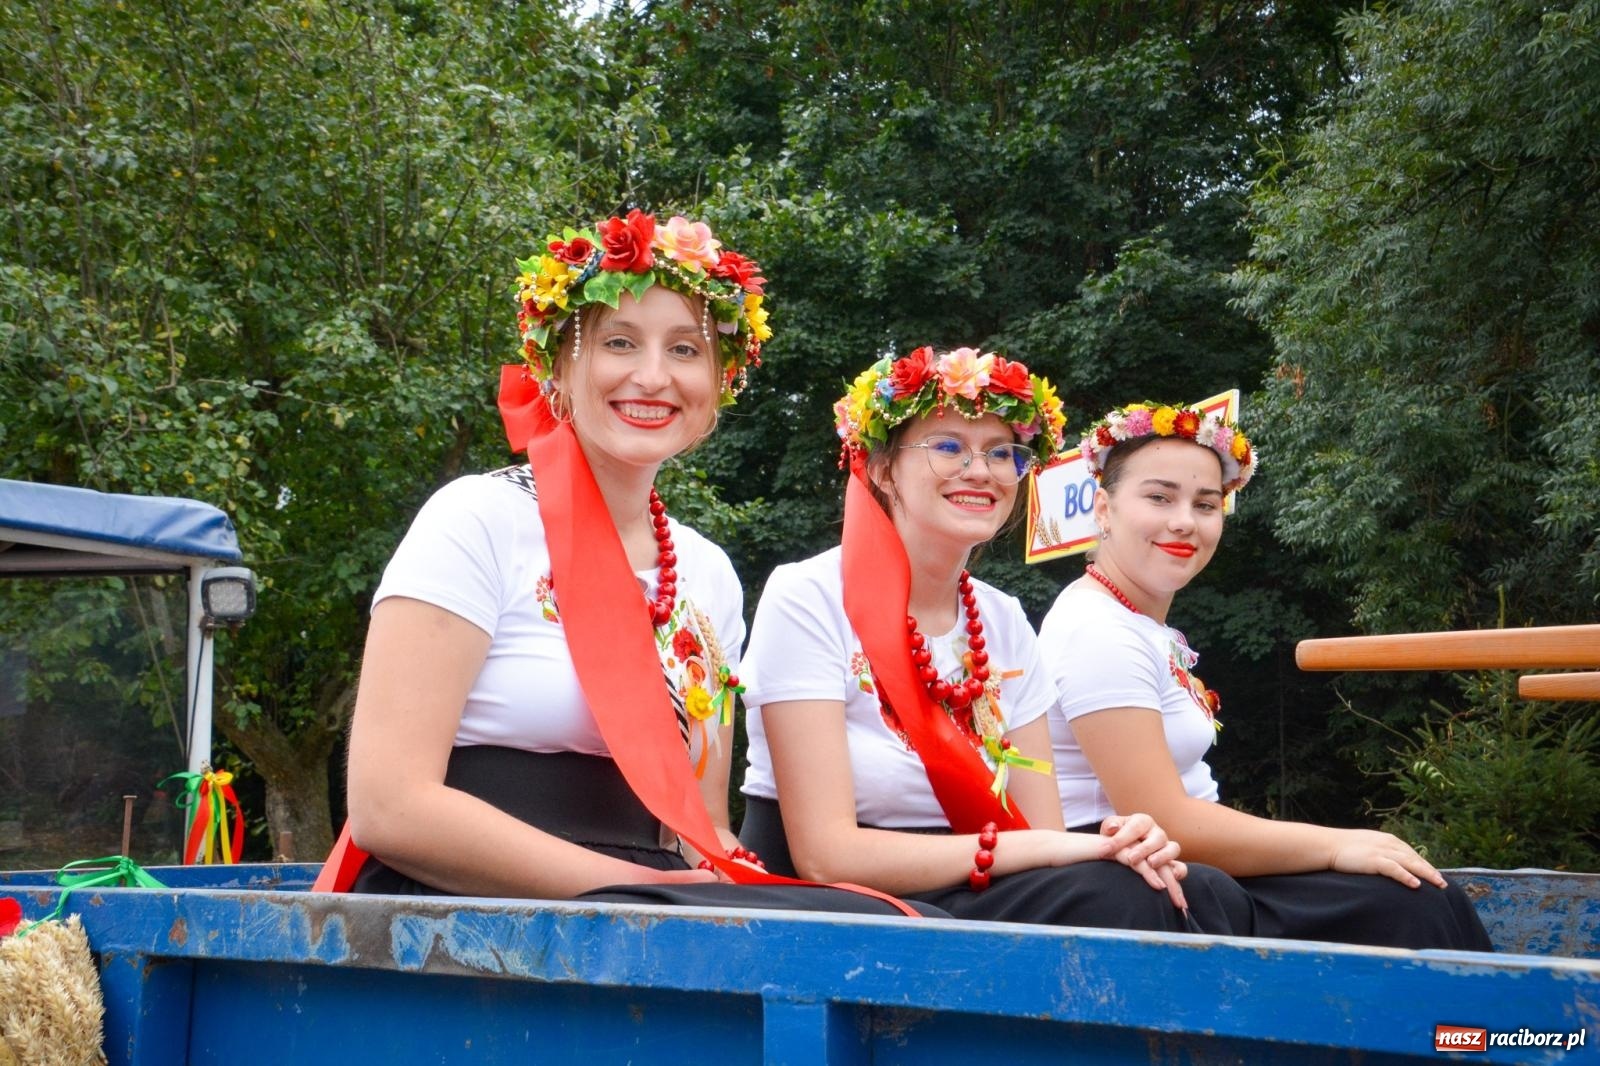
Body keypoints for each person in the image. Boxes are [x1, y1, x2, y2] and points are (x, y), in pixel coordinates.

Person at [327, 209, 930, 917]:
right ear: (558, 365)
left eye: (684, 350)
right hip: (470, 908)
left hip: (653, 907)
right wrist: (645, 896)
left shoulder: (708, 573)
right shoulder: (477, 520)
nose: (653, 377)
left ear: (720, 382)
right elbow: (388, 807)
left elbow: (699, 830)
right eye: (619, 342)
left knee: (904, 927)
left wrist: (705, 891)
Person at [737, 348, 1254, 933]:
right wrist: (1047, 852)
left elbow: (1043, 832)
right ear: (881, 469)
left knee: (1201, 888)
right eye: (949, 447)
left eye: (1001, 453)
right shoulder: (808, 596)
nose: (980, 471)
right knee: (1131, 900)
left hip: (970, 888)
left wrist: (1109, 843)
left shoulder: (1002, 618)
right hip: (839, 901)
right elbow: (826, 855)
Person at [1036, 401, 1492, 950]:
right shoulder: (1096, 629)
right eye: (1159, 497)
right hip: (1138, 874)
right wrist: (1336, 844)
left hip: (1184, 859)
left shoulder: (1137, 623)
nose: (1185, 520)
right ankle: (1475, 1038)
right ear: (1104, 509)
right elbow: (1161, 817)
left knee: (1411, 893)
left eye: (1205, 504)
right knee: (1406, 904)